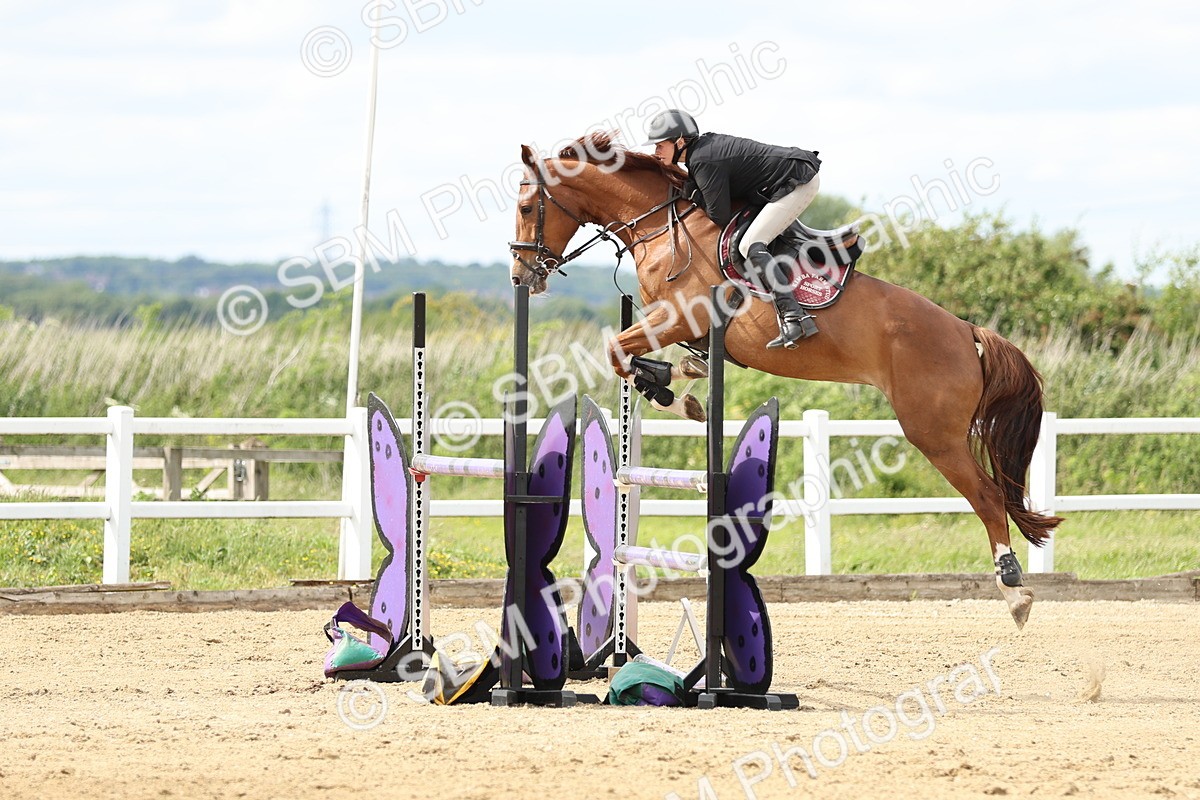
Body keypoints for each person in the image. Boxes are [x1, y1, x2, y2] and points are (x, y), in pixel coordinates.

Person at [644, 109, 821, 349]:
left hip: (798, 181)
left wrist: (694, 194)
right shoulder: (699, 154)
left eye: (660, 145)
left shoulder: (702, 160)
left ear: (680, 141)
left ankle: (794, 317)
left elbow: (720, 215)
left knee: (750, 245)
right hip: (779, 183)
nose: (655, 152)